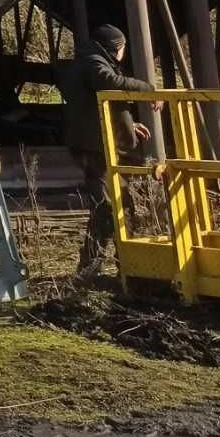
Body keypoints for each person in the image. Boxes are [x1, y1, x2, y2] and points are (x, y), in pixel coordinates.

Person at [61, 23, 158, 277]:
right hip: (95, 149)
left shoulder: (89, 61)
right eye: (123, 47)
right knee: (110, 208)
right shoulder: (93, 63)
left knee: (114, 206)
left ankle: (109, 267)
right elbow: (109, 82)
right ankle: (115, 267)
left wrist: (127, 124)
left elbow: (95, 106)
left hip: (98, 145)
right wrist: (148, 89)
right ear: (116, 48)